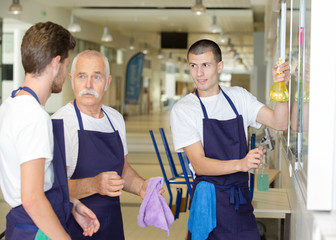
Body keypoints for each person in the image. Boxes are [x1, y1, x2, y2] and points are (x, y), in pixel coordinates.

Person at [170, 39, 290, 239]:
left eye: (205, 65)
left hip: (240, 199)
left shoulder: (238, 97)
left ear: (219, 66)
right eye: (193, 66)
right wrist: (241, 164)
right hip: (208, 203)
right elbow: (199, 165)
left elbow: (280, 123)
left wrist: (280, 88)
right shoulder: (184, 109)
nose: (199, 73)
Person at [0, 22, 100, 240]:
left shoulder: (10, 104)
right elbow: (32, 198)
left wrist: (71, 204)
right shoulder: (34, 117)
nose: (66, 74)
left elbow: (33, 182)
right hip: (35, 229)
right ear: (56, 63)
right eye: (66, 65)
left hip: (24, 225)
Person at [52, 50, 155, 239]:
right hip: (75, 227)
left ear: (107, 82)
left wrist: (141, 186)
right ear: (72, 79)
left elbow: (122, 169)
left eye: (96, 77)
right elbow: (55, 188)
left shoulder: (114, 119)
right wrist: (94, 184)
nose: (88, 85)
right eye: (82, 76)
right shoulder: (61, 123)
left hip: (112, 225)